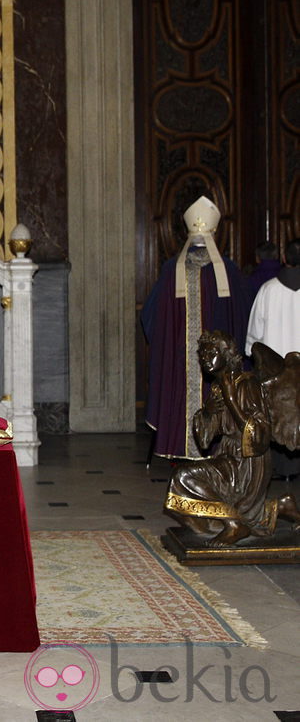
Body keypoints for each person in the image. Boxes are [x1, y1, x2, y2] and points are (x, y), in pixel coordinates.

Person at [141, 196, 253, 458]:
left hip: (180, 361)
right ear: (214, 233)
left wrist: (167, 344)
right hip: (220, 364)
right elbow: (245, 312)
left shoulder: (172, 270)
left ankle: (181, 447)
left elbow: (149, 315)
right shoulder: (228, 270)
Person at [164, 330, 300, 545]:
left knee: (183, 477)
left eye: (212, 354)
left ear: (227, 354)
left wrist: (231, 400)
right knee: (193, 515)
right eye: (202, 355)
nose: (205, 359)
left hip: (248, 462)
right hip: (229, 457)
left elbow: (259, 434)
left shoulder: (248, 384)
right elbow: (205, 441)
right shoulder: (219, 387)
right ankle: (279, 507)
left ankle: (234, 524)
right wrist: (208, 412)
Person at [246, 238, 300, 478]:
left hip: (277, 376)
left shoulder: (268, 290)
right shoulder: (268, 288)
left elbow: (254, 339)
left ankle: (280, 468)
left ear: (285, 259)